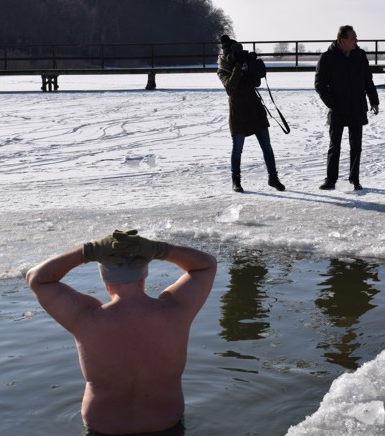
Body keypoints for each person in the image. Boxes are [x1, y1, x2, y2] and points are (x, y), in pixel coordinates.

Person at [26, 230, 217, 436]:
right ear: (144, 277)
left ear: (106, 283)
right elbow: (206, 265)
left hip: (102, 429)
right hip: (166, 426)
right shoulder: (176, 310)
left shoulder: (86, 318)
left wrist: (87, 251)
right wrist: (159, 249)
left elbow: (36, 278)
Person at [314, 25, 379, 191]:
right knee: (334, 146)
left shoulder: (360, 55)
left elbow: (367, 80)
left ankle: (354, 179)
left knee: (356, 145)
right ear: (342, 40)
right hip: (338, 108)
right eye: (353, 38)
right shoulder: (328, 57)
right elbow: (320, 84)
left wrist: (374, 100)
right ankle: (330, 180)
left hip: (357, 106)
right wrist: (332, 104)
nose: (356, 41)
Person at [217, 35, 285, 193]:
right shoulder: (222, 69)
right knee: (237, 149)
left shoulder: (244, 64)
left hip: (255, 109)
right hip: (238, 113)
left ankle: (273, 177)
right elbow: (230, 87)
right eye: (233, 55)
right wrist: (238, 66)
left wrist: (250, 65)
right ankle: (236, 180)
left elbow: (257, 82)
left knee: (267, 147)